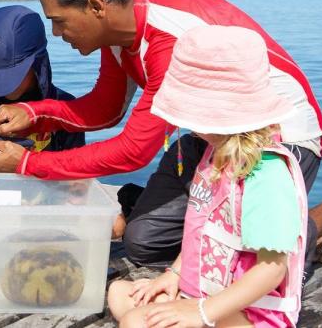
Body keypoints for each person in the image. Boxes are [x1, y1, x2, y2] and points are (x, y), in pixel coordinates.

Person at [0, 0, 322, 270]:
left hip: (276, 137)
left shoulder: (171, 43)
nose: (57, 33)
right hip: (210, 135)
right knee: (143, 243)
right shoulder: (119, 30)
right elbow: (107, 110)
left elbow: (134, 151)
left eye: (59, 21)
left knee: (252, 262)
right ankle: (213, 224)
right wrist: (35, 113)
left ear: (97, 6)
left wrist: (28, 164)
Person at [108, 25, 309, 328]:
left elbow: (271, 271)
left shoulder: (265, 174)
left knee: (136, 322)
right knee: (120, 293)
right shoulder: (212, 153)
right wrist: (174, 275)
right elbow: (199, 231)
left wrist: (200, 313)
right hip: (201, 294)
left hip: (249, 312)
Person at [0, 5, 84, 155]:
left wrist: (23, 164)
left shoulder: (65, 109)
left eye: (9, 74)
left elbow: (75, 169)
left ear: (37, 63)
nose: (1, 85)